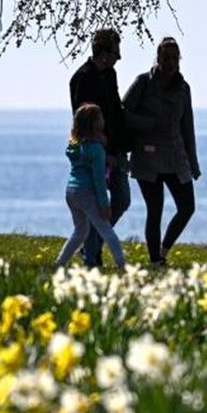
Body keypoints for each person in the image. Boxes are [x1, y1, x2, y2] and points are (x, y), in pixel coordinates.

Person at [123, 37, 200, 267]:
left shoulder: (183, 89)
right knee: (154, 209)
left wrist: (193, 163)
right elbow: (123, 113)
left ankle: (163, 250)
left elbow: (188, 127)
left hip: (176, 157)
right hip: (147, 157)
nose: (170, 62)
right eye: (166, 57)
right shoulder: (143, 82)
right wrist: (150, 124)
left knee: (187, 207)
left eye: (175, 58)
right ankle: (155, 260)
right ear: (157, 58)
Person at [68, 28, 131, 267]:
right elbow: (83, 122)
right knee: (98, 207)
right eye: (116, 51)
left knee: (122, 199)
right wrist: (102, 153)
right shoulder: (82, 79)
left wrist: (122, 148)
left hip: (115, 149)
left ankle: (90, 248)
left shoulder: (110, 74)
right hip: (96, 154)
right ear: (105, 52)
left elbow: (115, 112)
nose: (119, 57)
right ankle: (91, 254)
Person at [53, 103, 127, 270]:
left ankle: (60, 263)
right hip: (88, 193)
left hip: (71, 192)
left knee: (80, 231)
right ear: (96, 124)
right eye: (100, 117)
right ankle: (122, 264)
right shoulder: (96, 149)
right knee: (106, 230)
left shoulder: (74, 146)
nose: (103, 120)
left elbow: (76, 156)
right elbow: (98, 180)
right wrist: (105, 204)